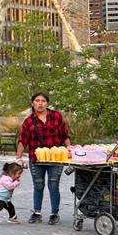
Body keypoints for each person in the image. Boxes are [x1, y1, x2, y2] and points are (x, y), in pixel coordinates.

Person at [15, 91, 71, 225]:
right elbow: (23, 140)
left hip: (56, 158)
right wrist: (18, 157)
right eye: (37, 101)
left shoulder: (56, 116)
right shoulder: (28, 121)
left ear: (47, 103)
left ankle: (54, 213)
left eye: (43, 101)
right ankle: (37, 212)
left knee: (53, 185)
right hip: (37, 159)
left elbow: (64, 135)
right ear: (33, 103)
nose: (40, 103)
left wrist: (70, 149)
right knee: (38, 185)